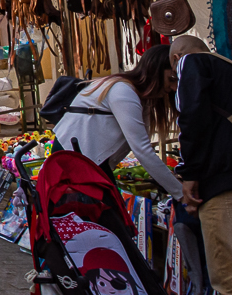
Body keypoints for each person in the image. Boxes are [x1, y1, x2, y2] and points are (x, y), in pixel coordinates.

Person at [172, 35, 232, 294]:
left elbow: (192, 116)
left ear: (177, 58)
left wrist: (190, 173)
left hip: (227, 187)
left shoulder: (191, 62)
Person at [56, 44, 183, 199]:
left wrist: (173, 184)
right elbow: (142, 150)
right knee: (103, 209)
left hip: (89, 159)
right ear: (155, 72)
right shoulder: (123, 91)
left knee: (108, 209)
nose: (174, 87)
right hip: (73, 155)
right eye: (171, 79)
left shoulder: (140, 97)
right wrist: (180, 193)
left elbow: (143, 147)